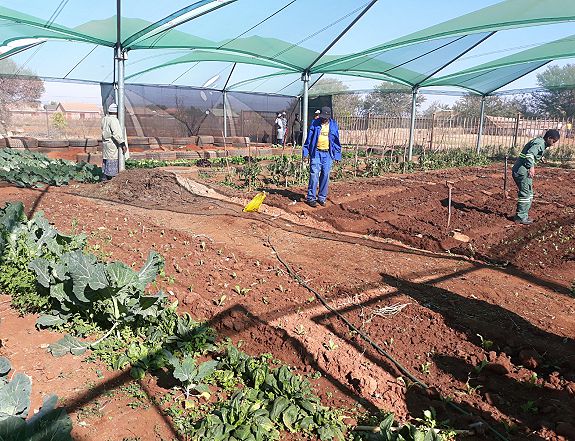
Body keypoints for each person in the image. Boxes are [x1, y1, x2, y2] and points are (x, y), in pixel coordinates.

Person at [511, 129, 560, 224]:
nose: (553, 144)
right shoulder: (540, 143)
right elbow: (529, 155)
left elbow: (531, 153)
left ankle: (522, 215)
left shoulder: (540, 141)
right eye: (553, 141)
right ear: (549, 138)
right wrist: (531, 167)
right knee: (526, 194)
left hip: (520, 170)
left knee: (528, 193)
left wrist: (540, 157)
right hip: (523, 171)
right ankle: (520, 217)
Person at [302, 106, 341, 207]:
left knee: (325, 175)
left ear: (329, 117)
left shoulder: (333, 125)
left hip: (328, 154)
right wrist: (306, 153)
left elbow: (336, 141)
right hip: (316, 153)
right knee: (314, 174)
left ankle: (322, 198)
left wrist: (337, 155)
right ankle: (311, 198)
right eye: (322, 117)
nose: (323, 119)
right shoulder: (315, 123)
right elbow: (309, 139)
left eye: (325, 117)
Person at [101, 103, 128, 181]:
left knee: (106, 159)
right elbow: (116, 134)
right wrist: (122, 144)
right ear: (117, 112)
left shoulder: (105, 118)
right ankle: (111, 179)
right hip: (112, 144)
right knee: (112, 160)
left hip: (106, 143)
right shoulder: (114, 120)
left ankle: (104, 177)